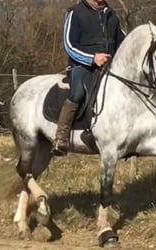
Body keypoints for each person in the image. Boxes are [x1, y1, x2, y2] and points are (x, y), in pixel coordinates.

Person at [52, 0, 126, 156]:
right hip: (82, 66)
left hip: (110, 65)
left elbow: (122, 41)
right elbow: (68, 44)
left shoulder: (111, 14)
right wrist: (92, 59)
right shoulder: (75, 13)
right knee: (77, 93)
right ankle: (61, 137)